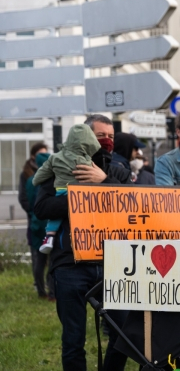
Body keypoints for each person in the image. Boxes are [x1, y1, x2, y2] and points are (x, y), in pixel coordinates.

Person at [34, 114, 131, 371]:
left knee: (123, 334)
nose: (106, 141)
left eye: (111, 136)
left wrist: (104, 183)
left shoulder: (118, 171)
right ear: (85, 136)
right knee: (73, 340)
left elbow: (134, 206)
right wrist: (81, 196)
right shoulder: (59, 165)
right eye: (100, 136)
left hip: (114, 265)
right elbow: (41, 206)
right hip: (70, 265)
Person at [32, 125, 101, 254]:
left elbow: (43, 172)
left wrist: (36, 181)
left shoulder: (55, 157)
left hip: (61, 189)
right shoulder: (87, 161)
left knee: (56, 216)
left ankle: (49, 236)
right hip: (82, 191)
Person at [25, 152, 54, 300]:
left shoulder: (30, 180)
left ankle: (41, 290)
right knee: (52, 260)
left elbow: (28, 201)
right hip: (50, 224)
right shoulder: (50, 179)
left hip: (35, 224)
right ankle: (52, 291)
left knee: (39, 260)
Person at [18, 142, 48, 283]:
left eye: (45, 153)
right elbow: (24, 197)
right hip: (34, 221)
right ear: (32, 156)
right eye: (39, 154)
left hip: (44, 221)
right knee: (37, 255)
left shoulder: (48, 171)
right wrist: (33, 213)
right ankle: (39, 285)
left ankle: (47, 287)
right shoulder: (27, 174)